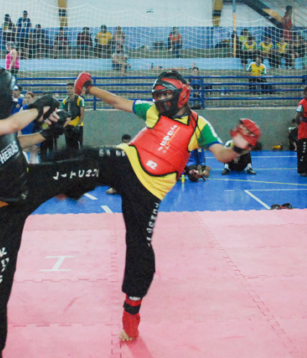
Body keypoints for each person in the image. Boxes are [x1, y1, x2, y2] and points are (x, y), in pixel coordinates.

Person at [69, 70, 261, 342]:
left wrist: (239, 146)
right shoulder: (153, 110)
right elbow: (117, 101)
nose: (160, 100)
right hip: (128, 165)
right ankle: (41, 185)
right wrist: (89, 88)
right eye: (158, 95)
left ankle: (131, 317)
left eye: (165, 95)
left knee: (140, 250)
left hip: (149, 191)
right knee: (86, 160)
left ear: (182, 94)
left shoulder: (199, 125)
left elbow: (221, 154)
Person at [0, 66, 99, 358]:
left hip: (25, 184)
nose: (14, 97)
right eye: (9, 92)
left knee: (88, 164)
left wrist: (45, 134)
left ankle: (134, 177)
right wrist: (37, 108)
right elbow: (13, 124)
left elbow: (12, 140)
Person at [62, 82, 85, 151]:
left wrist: (78, 125)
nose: (69, 90)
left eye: (71, 88)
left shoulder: (80, 100)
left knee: (78, 146)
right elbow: (63, 114)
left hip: (77, 126)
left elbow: (82, 114)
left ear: (74, 89)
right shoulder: (64, 101)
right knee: (68, 146)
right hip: (68, 126)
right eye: (67, 88)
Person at [20, 91, 40, 164]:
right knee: (24, 150)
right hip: (25, 132)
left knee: (34, 150)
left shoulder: (38, 107)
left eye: (29, 98)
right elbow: (19, 121)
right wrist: (19, 132)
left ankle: (34, 166)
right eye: (26, 98)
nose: (27, 99)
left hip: (35, 131)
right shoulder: (23, 108)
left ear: (33, 98)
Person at [295, 86, 307, 177]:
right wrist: (300, 124)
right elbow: (297, 117)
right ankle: (302, 169)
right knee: (303, 151)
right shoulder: (302, 103)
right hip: (304, 131)